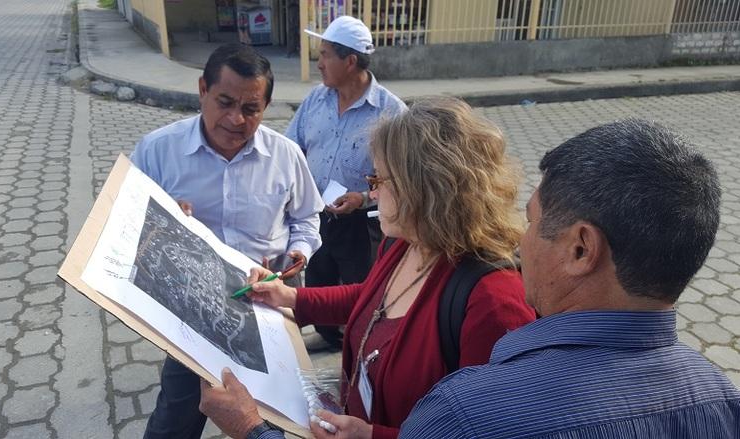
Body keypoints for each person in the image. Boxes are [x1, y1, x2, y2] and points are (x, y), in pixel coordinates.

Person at [198, 97, 537, 439]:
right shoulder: (408, 240)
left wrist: (374, 436)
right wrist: (291, 297)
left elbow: (488, 431)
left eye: (378, 181)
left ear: (424, 190)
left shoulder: (494, 301)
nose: (371, 194)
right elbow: (373, 298)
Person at [399, 119, 740, 438]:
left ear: (580, 250)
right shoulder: (723, 402)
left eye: (531, 221)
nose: (521, 240)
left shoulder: (464, 416)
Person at [132, 43, 324, 439]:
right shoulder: (157, 151)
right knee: (176, 416)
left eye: (251, 109)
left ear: (266, 107)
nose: (236, 119)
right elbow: (127, 224)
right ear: (202, 89)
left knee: (271, 419)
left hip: (267, 308)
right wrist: (161, 224)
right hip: (191, 309)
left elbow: (307, 218)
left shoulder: (286, 156)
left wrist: (297, 256)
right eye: (225, 102)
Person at [287, 15, 407, 351]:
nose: (319, 62)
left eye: (325, 54)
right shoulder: (316, 99)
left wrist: (363, 197)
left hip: (359, 222)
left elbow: (401, 177)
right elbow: (292, 144)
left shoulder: (391, 113)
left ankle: (361, 343)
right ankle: (329, 336)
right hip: (314, 213)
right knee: (319, 277)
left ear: (350, 61)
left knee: (360, 286)